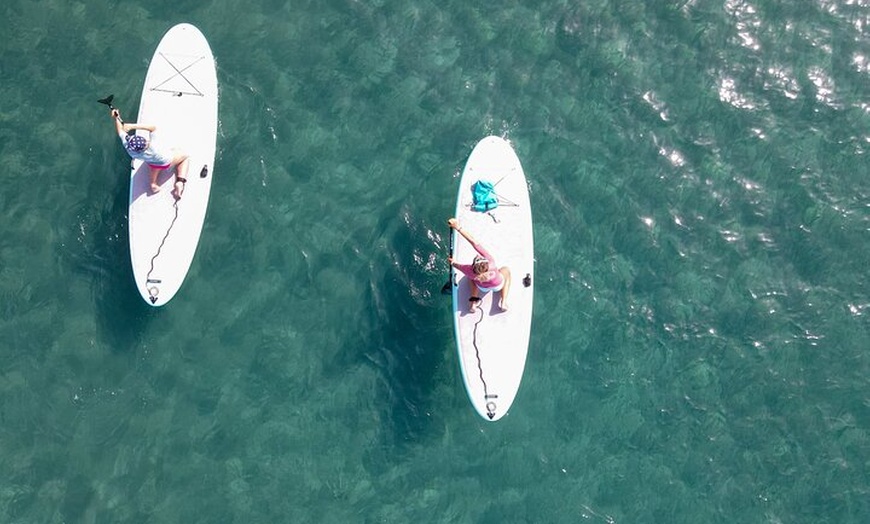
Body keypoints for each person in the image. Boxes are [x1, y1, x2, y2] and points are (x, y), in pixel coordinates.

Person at [109, 108, 189, 198]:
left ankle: (153, 185)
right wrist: (132, 126)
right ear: (145, 144)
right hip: (165, 162)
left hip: (151, 163)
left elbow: (121, 132)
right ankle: (180, 182)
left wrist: (116, 117)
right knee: (185, 156)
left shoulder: (130, 150)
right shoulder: (153, 146)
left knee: (155, 167)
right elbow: (153, 128)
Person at [447, 217, 512, 313]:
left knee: (470, 278)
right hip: (497, 285)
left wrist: (452, 261)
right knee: (506, 270)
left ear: (473, 265)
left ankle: (474, 302)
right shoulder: (491, 262)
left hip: (483, 288)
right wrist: (458, 227)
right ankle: (503, 302)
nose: (477, 255)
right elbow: (474, 242)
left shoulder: (469, 270)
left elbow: (457, 265)